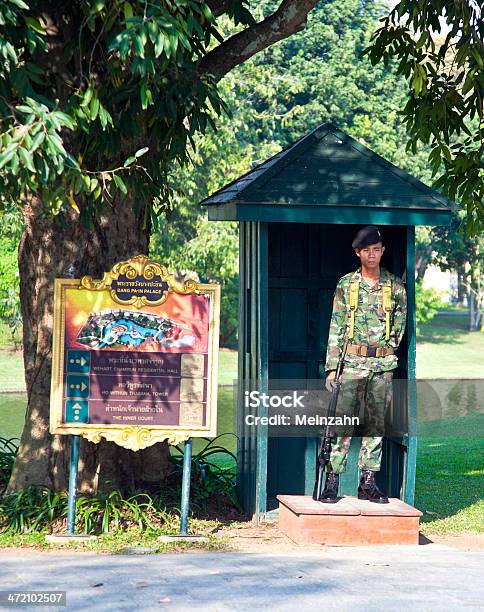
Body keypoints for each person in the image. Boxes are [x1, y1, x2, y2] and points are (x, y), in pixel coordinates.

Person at [320, 225, 407, 503]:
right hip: (352, 363)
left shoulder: (395, 286)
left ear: (383, 251)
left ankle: (367, 482)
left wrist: (386, 352)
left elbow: (401, 325)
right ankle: (333, 480)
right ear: (358, 252)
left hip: (381, 365)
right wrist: (333, 367)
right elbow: (336, 325)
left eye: (377, 250)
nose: (372, 255)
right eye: (367, 250)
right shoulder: (347, 284)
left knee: (376, 425)